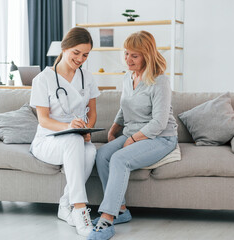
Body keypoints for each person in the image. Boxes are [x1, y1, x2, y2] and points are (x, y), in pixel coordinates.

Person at [87, 31, 178, 240]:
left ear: (147, 55)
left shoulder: (159, 81)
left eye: (134, 56)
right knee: (102, 155)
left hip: (160, 137)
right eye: (126, 54)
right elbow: (124, 107)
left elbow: (159, 122)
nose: (128, 60)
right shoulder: (128, 77)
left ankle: (107, 220)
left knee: (119, 158)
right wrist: (114, 129)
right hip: (131, 132)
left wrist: (132, 139)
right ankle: (121, 210)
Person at [29, 27, 100, 237]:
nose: (80, 59)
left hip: (77, 136)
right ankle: (79, 210)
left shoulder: (87, 77)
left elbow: (93, 113)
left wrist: (87, 130)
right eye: (76, 53)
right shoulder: (43, 79)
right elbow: (44, 119)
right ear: (65, 47)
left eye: (85, 55)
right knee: (72, 141)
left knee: (91, 151)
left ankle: (64, 205)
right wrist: (70, 128)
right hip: (48, 140)